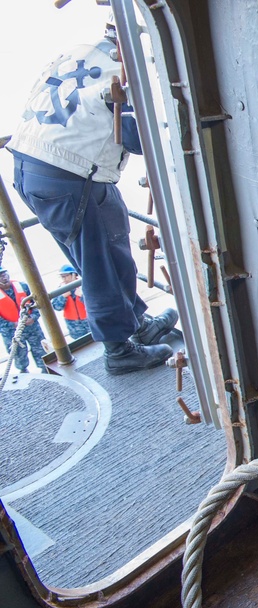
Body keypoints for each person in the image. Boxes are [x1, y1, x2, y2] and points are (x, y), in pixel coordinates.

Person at [7, 19, 177, 375]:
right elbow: (135, 136)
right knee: (100, 265)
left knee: (110, 254)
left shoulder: (80, 54)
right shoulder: (125, 72)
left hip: (38, 168)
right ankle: (119, 351)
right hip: (69, 178)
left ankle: (136, 324)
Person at [0, 267, 47, 374]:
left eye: (4, 274)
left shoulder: (23, 286)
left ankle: (46, 369)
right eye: (0, 276)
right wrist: (13, 324)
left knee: (41, 350)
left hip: (32, 328)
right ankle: (24, 372)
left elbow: (38, 304)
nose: (3, 278)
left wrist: (33, 317)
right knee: (18, 355)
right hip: (12, 333)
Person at [51, 264, 91, 339]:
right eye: (62, 276)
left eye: (65, 276)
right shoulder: (60, 289)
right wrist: (63, 297)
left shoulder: (84, 285)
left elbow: (94, 303)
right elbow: (56, 307)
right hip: (74, 326)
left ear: (73, 275)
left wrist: (82, 296)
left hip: (89, 321)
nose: (63, 279)